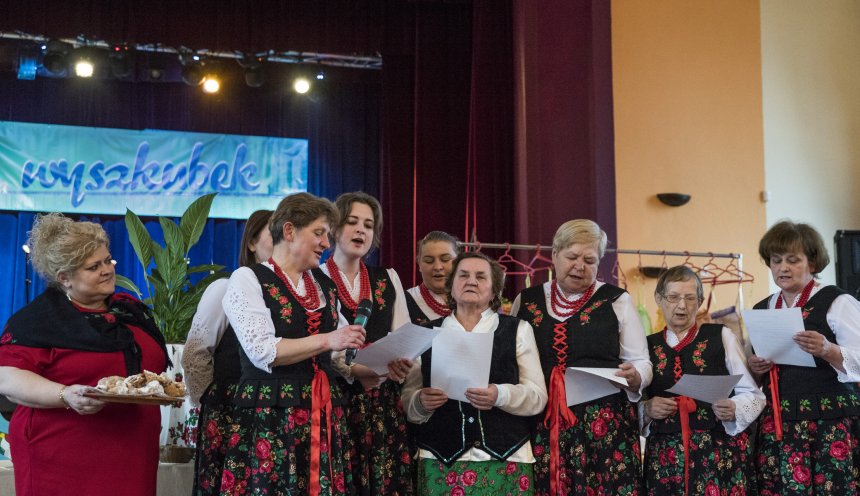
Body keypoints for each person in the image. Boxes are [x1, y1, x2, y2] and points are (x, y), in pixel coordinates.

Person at [0, 213, 169, 496]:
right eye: (93, 266)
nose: (107, 270)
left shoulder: (129, 311)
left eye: (107, 261)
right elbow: (7, 378)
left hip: (132, 454)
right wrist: (65, 394)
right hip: (60, 456)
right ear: (64, 278)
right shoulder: (38, 320)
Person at [219, 192, 366, 495]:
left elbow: (338, 354)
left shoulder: (324, 285)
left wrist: (377, 366)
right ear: (289, 230)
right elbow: (264, 351)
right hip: (272, 415)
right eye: (319, 233)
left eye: (327, 235)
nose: (326, 243)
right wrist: (328, 339)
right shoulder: (248, 278)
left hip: (322, 411)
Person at [510, 219, 651, 496]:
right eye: (572, 257)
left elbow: (641, 361)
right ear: (554, 255)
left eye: (589, 260)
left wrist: (635, 377)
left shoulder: (617, 300)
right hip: (543, 422)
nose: (579, 266)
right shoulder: (526, 301)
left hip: (605, 427)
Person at [402, 251, 548, 494]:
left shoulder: (518, 330)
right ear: (451, 287)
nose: (471, 281)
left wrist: (499, 395)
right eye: (463, 275)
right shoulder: (427, 333)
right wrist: (420, 402)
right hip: (440, 459)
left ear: (494, 291)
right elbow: (408, 399)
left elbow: (537, 396)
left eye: (481, 276)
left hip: (506, 457)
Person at [748, 220, 860, 495]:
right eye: (776, 260)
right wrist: (757, 368)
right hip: (778, 422)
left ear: (812, 262)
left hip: (828, 420)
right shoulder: (762, 308)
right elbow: (753, 381)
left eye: (792, 260)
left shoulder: (837, 302)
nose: (782, 268)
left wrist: (828, 350)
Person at [641, 266, 765, 495]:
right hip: (665, 456)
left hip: (717, 450)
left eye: (690, 298)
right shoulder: (646, 345)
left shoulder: (721, 336)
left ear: (699, 301)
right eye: (673, 297)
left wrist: (735, 407)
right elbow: (633, 402)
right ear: (659, 299)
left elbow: (753, 394)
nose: (682, 305)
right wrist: (647, 409)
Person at [321, 191, 414, 495]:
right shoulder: (315, 278)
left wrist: (401, 364)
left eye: (368, 225)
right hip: (335, 399)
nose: (361, 230)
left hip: (382, 401)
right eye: (352, 222)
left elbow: (403, 336)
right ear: (334, 229)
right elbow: (320, 344)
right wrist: (355, 370)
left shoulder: (388, 278)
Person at [182, 209, 273, 495]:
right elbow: (195, 353)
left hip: (271, 411)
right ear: (252, 243)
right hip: (229, 410)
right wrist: (211, 404)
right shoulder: (225, 287)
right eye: (274, 233)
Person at [405, 231, 460, 325]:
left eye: (445, 259)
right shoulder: (404, 301)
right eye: (429, 261)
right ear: (419, 265)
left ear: (459, 262)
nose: (438, 267)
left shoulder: (474, 299)